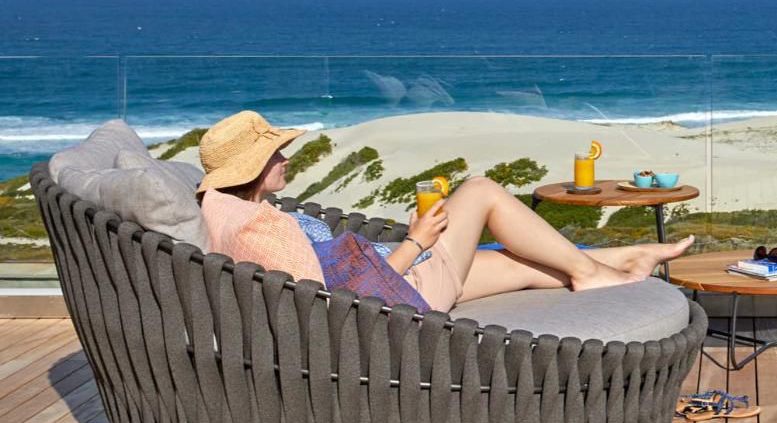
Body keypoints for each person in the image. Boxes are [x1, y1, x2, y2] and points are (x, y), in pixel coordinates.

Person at [195, 110, 693, 310]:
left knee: (515, 262)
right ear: (254, 167)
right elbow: (343, 299)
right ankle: (592, 272)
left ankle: (623, 258)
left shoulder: (238, 211)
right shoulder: (265, 227)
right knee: (479, 189)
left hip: (398, 272)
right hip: (404, 287)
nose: (285, 158)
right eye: (275, 154)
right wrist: (417, 243)